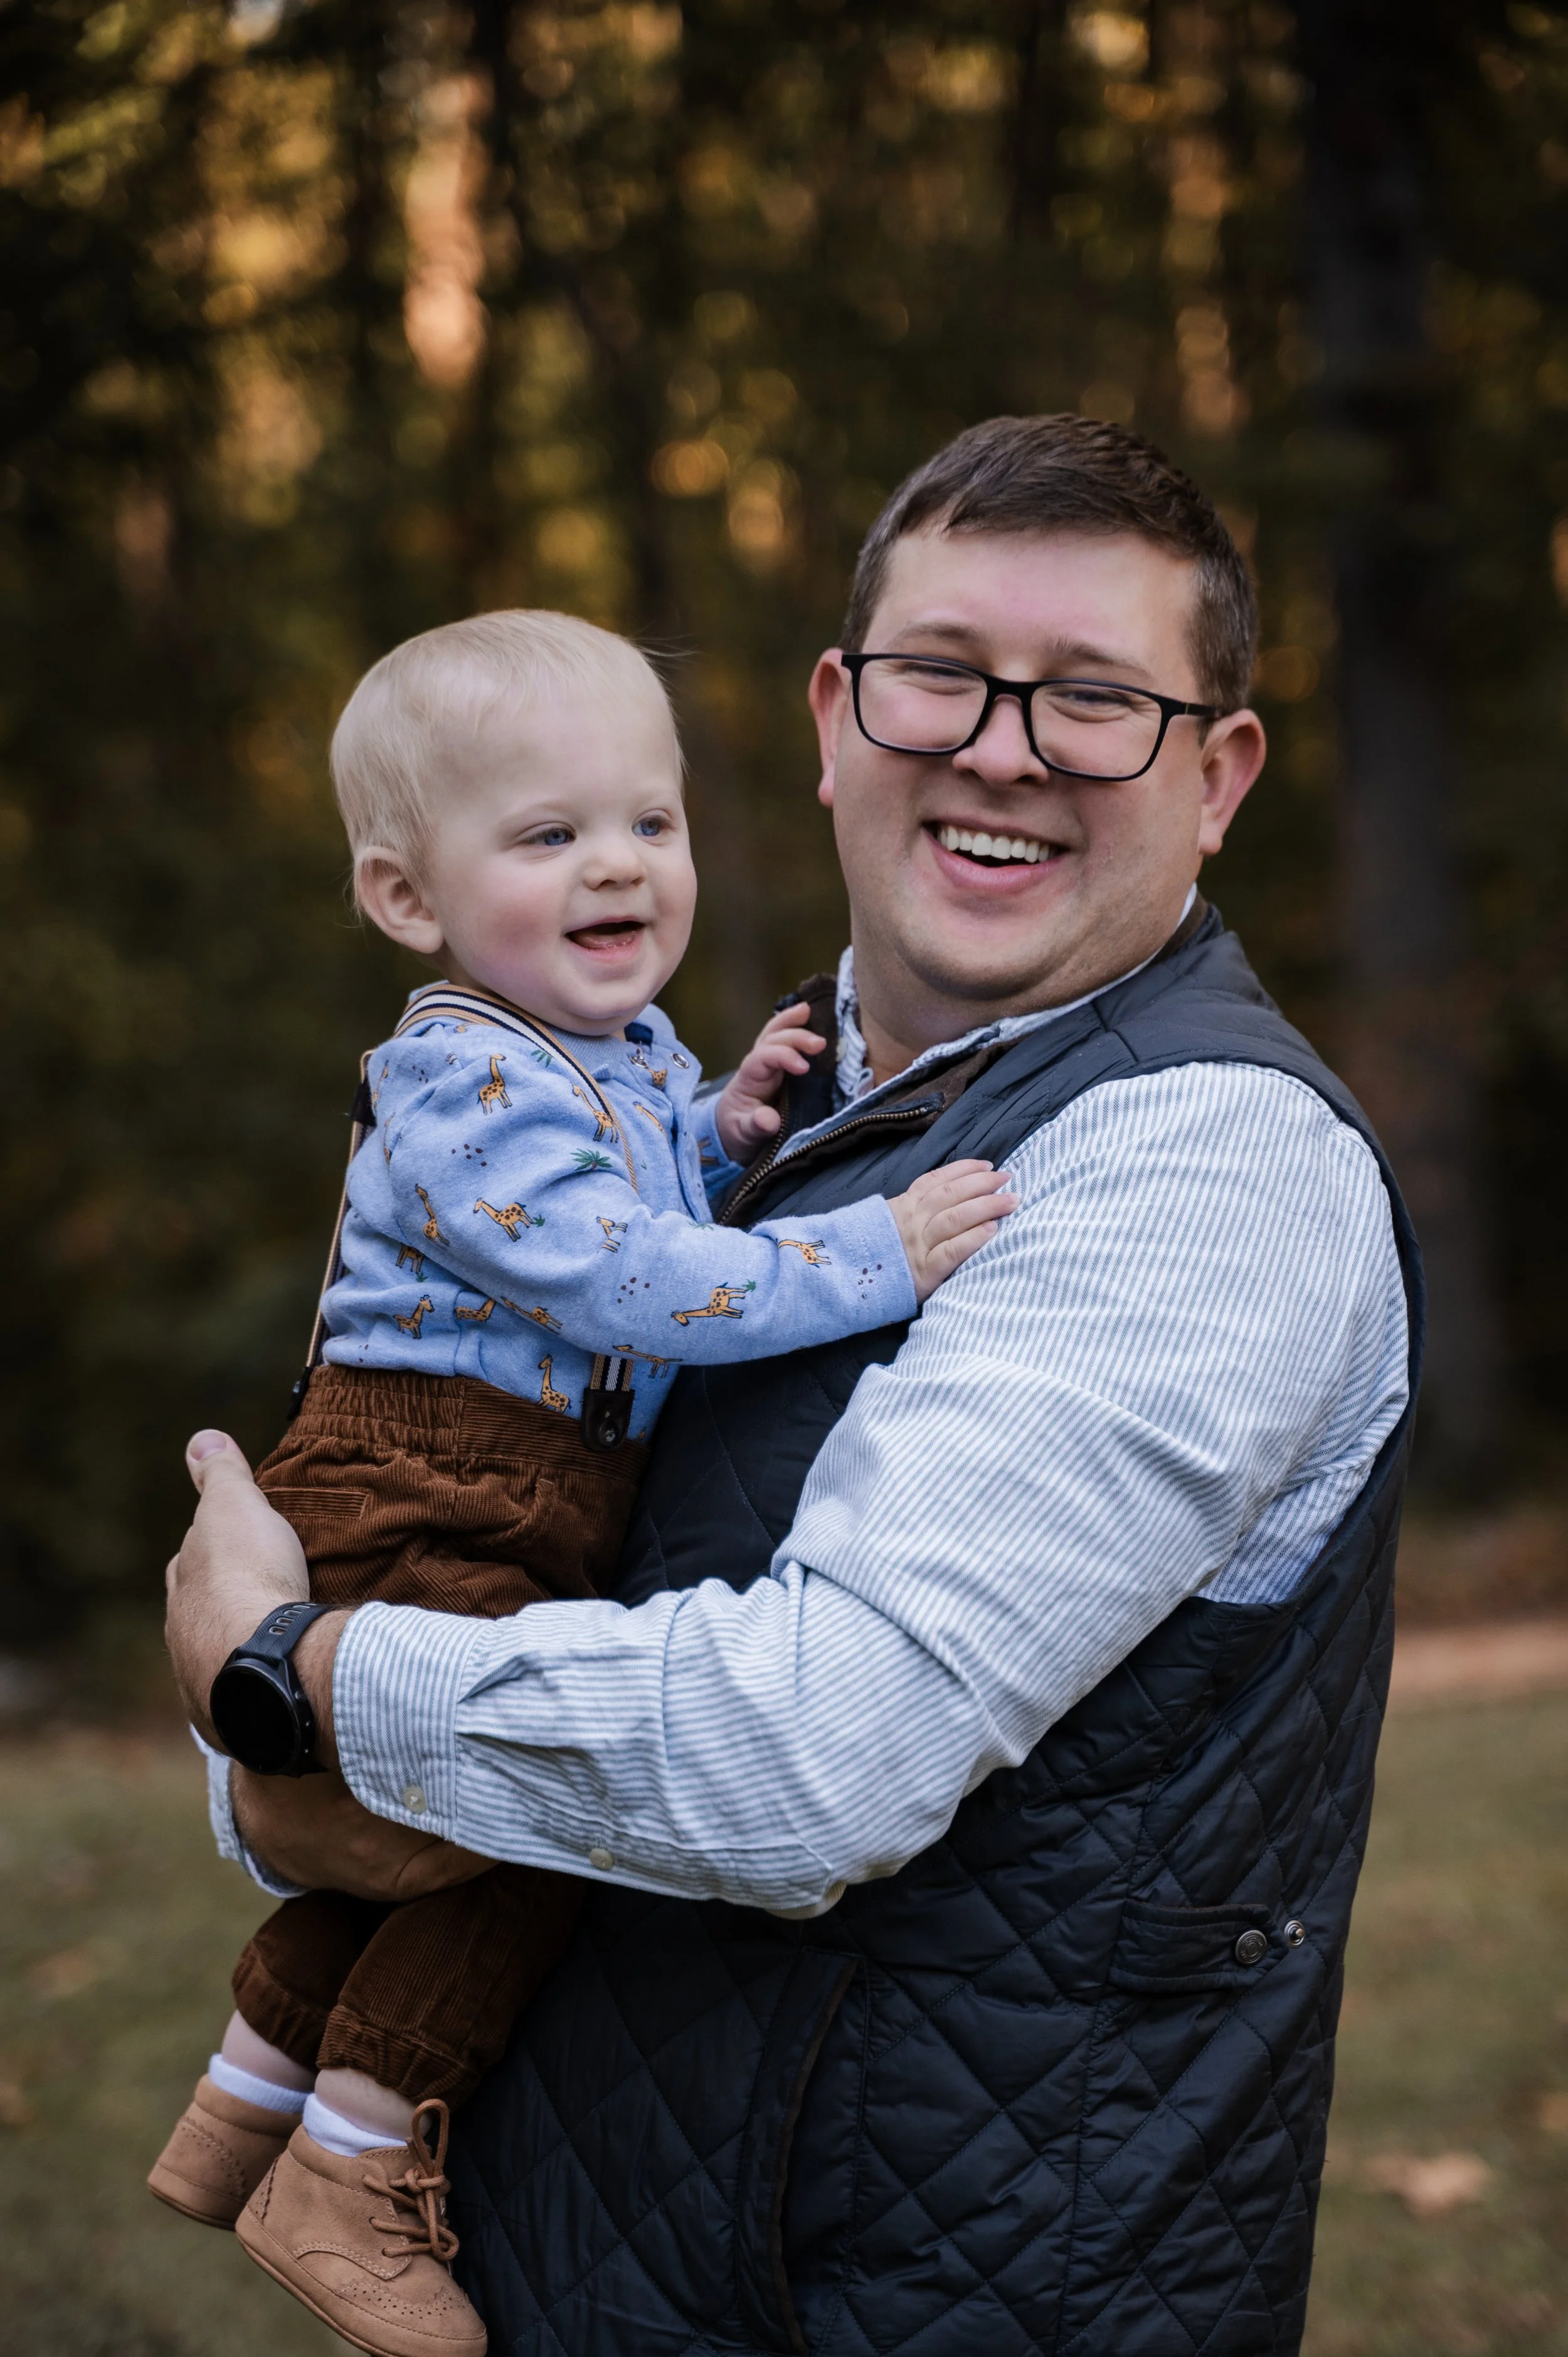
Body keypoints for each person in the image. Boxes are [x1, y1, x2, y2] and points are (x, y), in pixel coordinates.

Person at [165, 414, 1422, 2357]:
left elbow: (809, 1758)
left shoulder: (1202, 1168)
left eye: (1095, 700)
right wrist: (291, 1780)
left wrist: (289, 1680)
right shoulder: (703, 1103)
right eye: (941, 675)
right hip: (582, 2252)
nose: (999, 747)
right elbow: (473, 1598)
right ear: (836, 715)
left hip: (920, 2299)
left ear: (1219, 772)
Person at [146, 610, 1014, 2357]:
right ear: (411, 899)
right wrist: (874, 1255)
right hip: (423, 1482)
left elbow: (630, 1184)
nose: (618, 865)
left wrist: (722, 1126)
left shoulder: (600, 1056)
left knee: (422, 1836)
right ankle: (353, 2159)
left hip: (503, 1485)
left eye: (650, 821)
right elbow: (618, 1280)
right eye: (548, 838)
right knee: (540, 1816)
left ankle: (245, 2097)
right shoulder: (459, 1066)